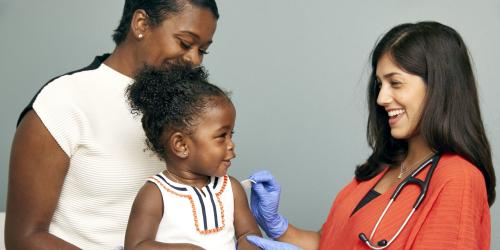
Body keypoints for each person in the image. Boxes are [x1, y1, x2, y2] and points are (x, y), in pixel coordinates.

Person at [246, 21, 496, 249]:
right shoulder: (381, 168)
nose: (381, 98)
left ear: (438, 87)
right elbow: (331, 243)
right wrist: (278, 227)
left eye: (395, 83)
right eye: (380, 84)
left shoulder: (458, 179)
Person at [5, 0, 219, 248]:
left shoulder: (188, 110)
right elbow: (24, 238)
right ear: (141, 24)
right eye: (185, 43)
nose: (194, 60)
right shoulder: (63, 101)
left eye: (202, 50)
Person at [123, 64, 261, 249]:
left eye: (231, 134)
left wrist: (248, 244)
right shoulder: (156, 194)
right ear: (181, 145)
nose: (231, 145)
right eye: (221, 136)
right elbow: (136, 245)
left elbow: (249, 233)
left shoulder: (231, 188)